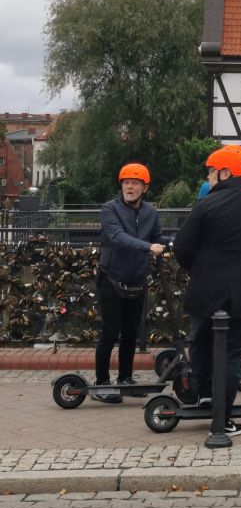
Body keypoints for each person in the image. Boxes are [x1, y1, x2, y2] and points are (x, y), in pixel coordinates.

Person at [173, 145, 241, 438]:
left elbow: (181, 246)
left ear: (225, 172)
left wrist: (199, 268)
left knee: (200, 341)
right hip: (240, 292)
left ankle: (204, 394)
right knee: (231, 353)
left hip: (205, 290)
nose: (209, 177)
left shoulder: (205, 205)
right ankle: (224, 416)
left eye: (211, 171)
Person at [93, 163, 168, 403]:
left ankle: (125, 378)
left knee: (130, 333)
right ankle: (102, 382)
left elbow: (157, 238)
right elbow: (117, 237)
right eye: (126, 182)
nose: (130, 186)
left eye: (135, 183)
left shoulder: (150, 212)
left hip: (137, 281)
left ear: (145, 188)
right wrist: (148, 247)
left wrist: (177, 243)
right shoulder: (109, 210)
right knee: (109, 332)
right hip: (112, 279)